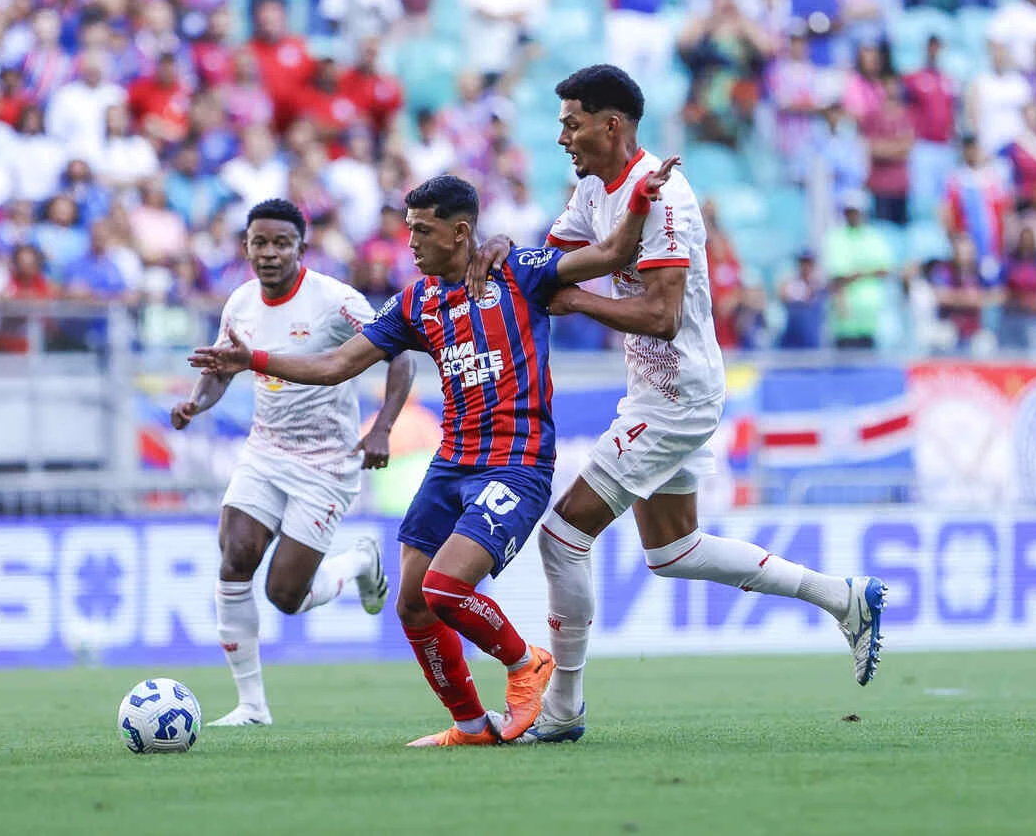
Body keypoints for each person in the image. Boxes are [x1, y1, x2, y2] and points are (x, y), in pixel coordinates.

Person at [189, 164, 679, 746]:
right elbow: (335, 366)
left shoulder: (520, 273)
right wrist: (256, 361)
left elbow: (612, 251)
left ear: (460, 232)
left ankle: (528, 665)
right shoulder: (416, 301)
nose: (412, 242)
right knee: (413, 605)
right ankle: (472, 726)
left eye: (422, 230)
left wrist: (642, 200)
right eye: (410, 229)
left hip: (515, 465)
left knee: (445, 590)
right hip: (451, 465)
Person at [469, 64, 888, 745]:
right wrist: (512, 258)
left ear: (611, 125)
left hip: (677, 392)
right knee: (674, 549)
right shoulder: (591, 189)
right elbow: (557, 261)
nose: (561, 137)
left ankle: (563, 708)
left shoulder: (664, 199)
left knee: (562, 535)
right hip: (659, 387)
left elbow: (661, 315)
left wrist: (572, 298)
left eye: (571, 122)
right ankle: (843, 597)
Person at [171, 198, 416, 727]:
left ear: (302, 248)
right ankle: (252, 707)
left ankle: (359, 562)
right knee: (235, 556)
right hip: (265, 452)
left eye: (282, 242)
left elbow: (400, 353)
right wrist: (196, 402)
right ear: (246, 247)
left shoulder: (335, 300)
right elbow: (223, 368)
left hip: (327, 463)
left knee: (285, 595)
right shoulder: (238, 304)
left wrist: (383, 426)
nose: (270, 252)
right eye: (260, 242)